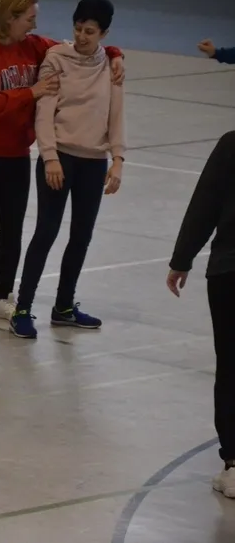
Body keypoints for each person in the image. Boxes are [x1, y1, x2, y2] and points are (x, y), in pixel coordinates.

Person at [0, 0, 125, 326]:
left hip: (16, 154)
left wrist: (115, 52)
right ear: (10, 18)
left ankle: (3, 297)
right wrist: (29, 93)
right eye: (29, 18)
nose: (34, 25)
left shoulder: (33, 47)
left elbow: (78, 48)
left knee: (12, 229)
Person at [9, 0, 125, 339]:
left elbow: (116, 115)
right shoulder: (56, 58)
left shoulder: (112, 66)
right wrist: (50, 157)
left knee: (81, 236)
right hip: (59, 159)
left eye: (90, 31)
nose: (82, 36)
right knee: (46, 232)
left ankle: (63, 307)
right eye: (77, 28)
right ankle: (23, 309)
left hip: (93, 162)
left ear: (104, 33)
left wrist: (117, 159)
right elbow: (44, 112)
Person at [167, 130, 235, 499]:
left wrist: (182, 259)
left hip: (228, 273)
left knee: (230, 367)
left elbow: (204, 205)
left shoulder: (231, 144)